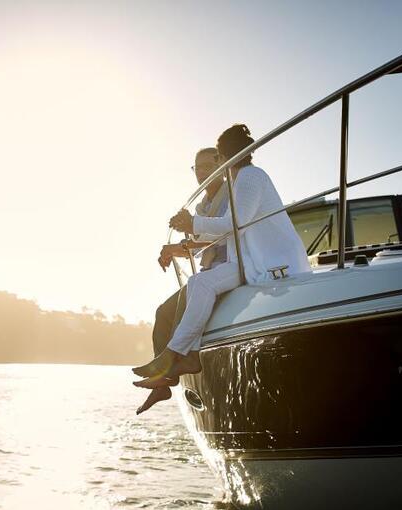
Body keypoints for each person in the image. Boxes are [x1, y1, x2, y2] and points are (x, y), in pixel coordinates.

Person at [132, 124, 311, 399]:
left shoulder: (250, 177)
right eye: (197, 167)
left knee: (198, 284)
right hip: (249, 261)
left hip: (268, 262)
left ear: (224, 156)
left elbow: (233, 225)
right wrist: (190, 229)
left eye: (215, 159)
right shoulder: (240, 180)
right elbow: (226, 231)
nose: (205, 171)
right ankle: (182, 355)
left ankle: (175, 355)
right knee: (198, 282)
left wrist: (192, 223)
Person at [135, 148, 229, 415]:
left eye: (206, 166)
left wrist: (189, 229)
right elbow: (199, 243)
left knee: (180, 308)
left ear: (220, 164)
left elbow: (225, 234)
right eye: (196, 168)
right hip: (208, 271)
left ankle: (172, 371)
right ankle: (162, 383)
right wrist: (174, 248)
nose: (201, 172)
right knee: (162, 313)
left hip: (226, 269)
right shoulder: (202, 206)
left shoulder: (230, 198)